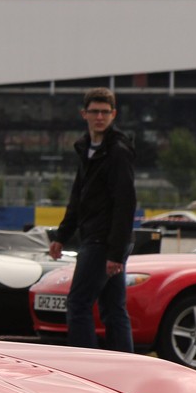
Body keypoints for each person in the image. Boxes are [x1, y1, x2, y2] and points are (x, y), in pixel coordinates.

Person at [48, 88, 136, 351]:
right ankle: (125, 365)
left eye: (105, 112)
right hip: (98, 240)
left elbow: (125, 203)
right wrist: (61, 236)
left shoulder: (118, 151)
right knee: (112, 309)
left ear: (113, 114)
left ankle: (83, 366)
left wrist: (115, 253)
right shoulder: (86, 148)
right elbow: (78, 197)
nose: (100, 117)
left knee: (78, 304)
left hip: (103, 242)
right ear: (84, 114)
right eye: (95, 111)